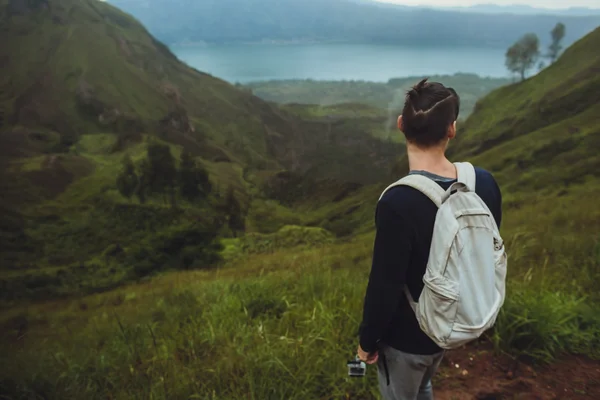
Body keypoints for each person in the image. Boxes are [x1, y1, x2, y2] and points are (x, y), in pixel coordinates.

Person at [356, 78, 503, 400]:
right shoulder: (484, 183)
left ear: (400, 125)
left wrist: (367, 342)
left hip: (409, 337)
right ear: (452, 129)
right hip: (456, 322)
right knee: (425, 384)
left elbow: (385, 284)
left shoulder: (397, 202)